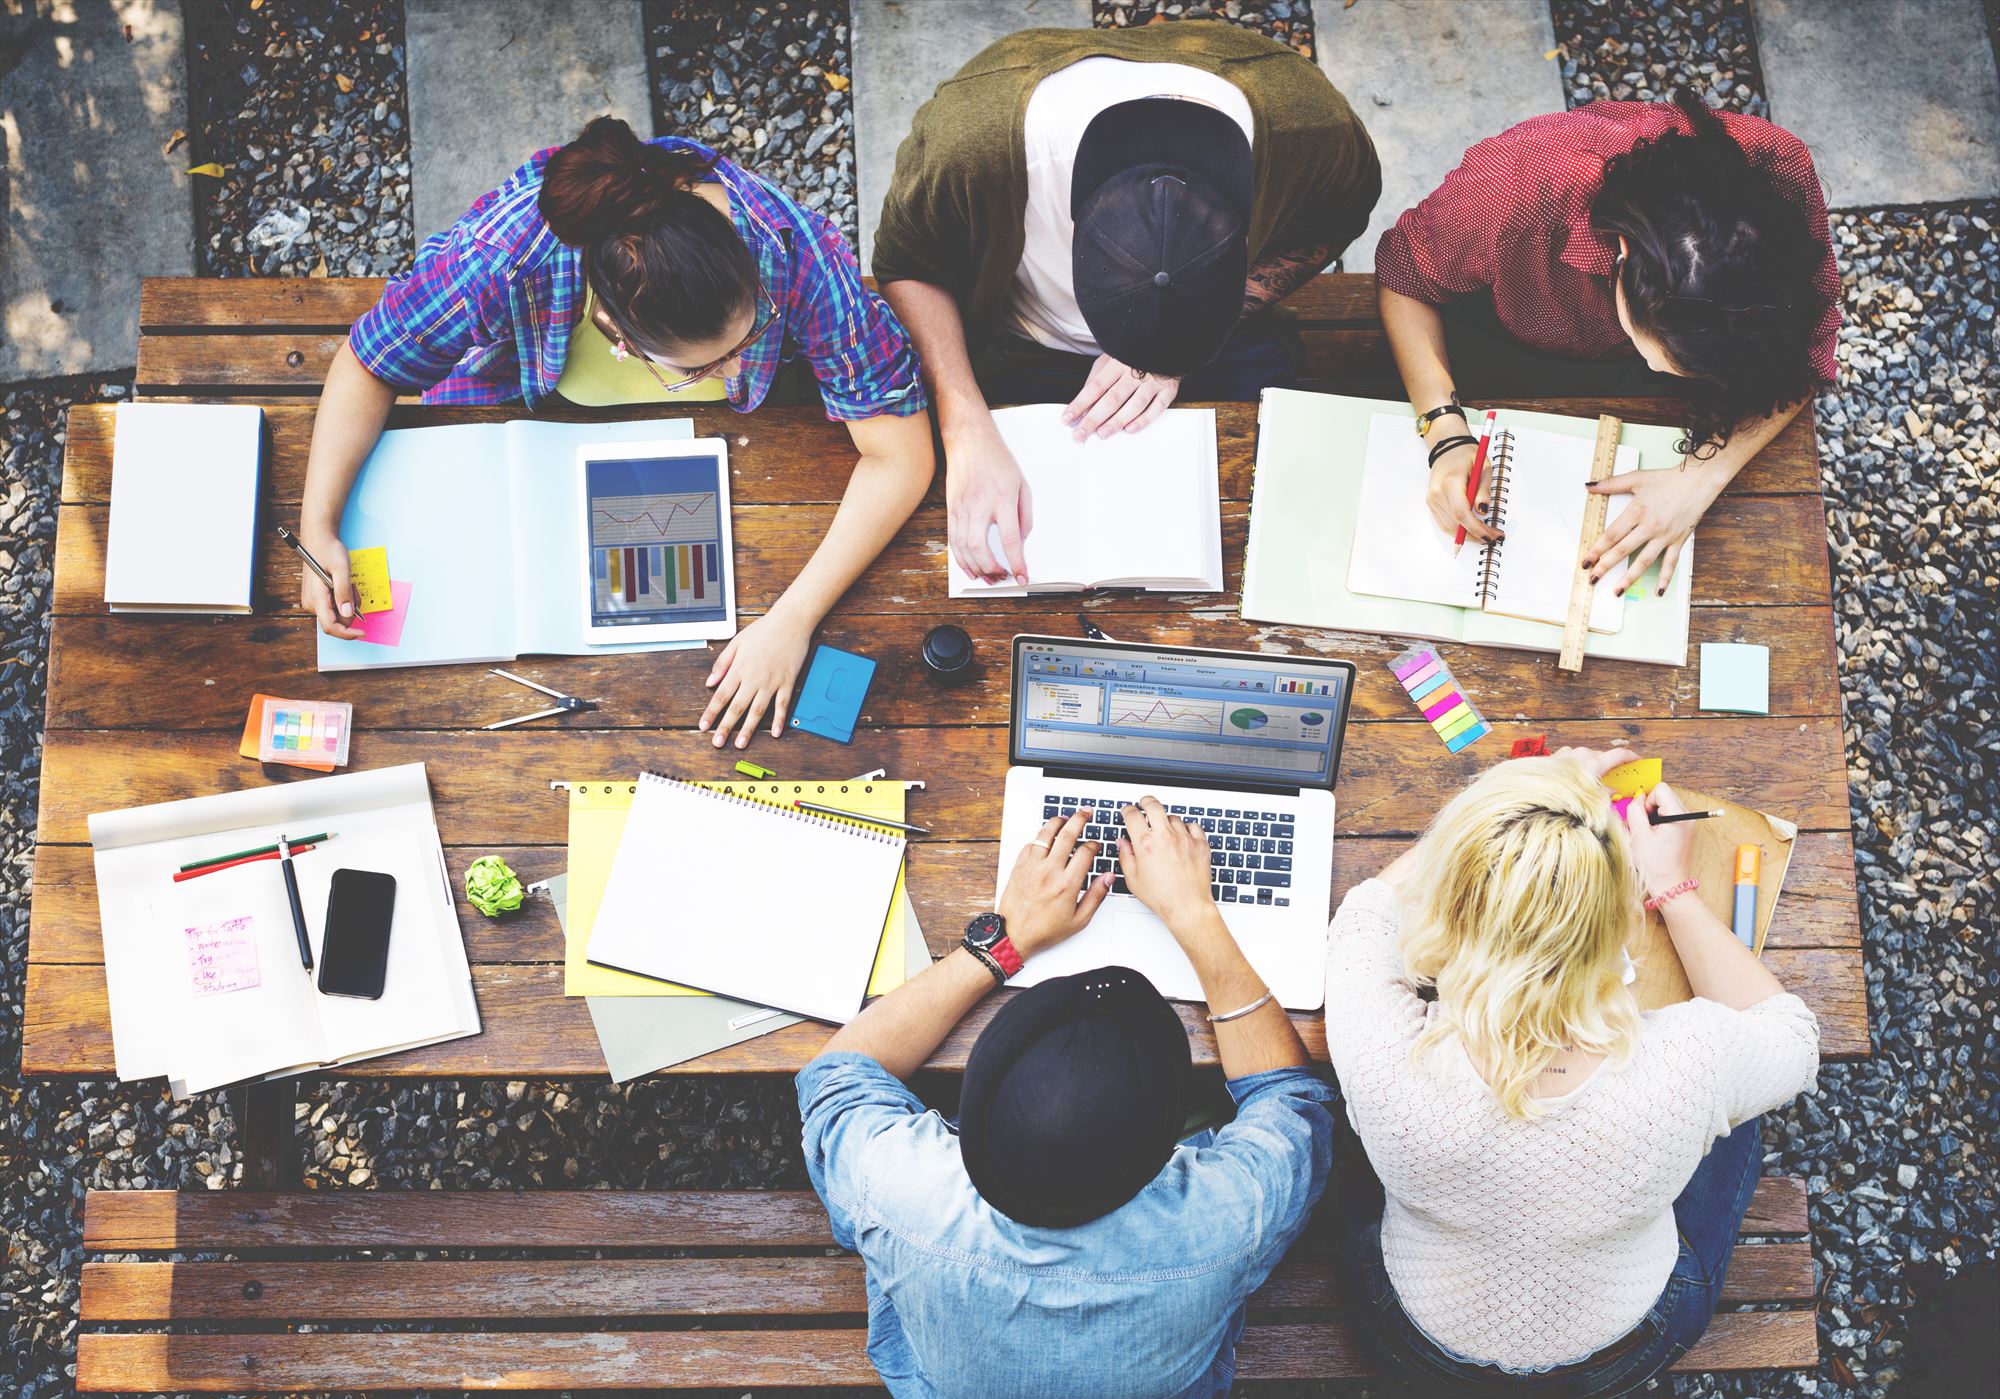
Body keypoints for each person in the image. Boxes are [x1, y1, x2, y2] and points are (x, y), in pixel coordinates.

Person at [296, 116, 932, 749]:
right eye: (706, 365)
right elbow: (371, 361)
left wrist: (791, 621)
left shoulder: (794, 252)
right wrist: (318, 525)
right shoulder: (503, 257)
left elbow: (900, 454)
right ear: (616, 334)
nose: (744, 367)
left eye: (758, 326)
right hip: (511, 411)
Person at [797, 800, 1336, 1399]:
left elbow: (837, 1075)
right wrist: (1193, 913)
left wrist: (1006, 942)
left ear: (970, 1112)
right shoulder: (1227, 1214)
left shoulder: (900, 1188)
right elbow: (1292, 1101)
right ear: (1171, 1145)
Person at [1324, 750, 1820, 1399]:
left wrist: (1512, 803)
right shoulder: (1690, 1057)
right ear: (1619, 917)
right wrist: (1673, 885)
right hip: (1626, 1341)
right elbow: (1792, 1035)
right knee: (1739, 1115)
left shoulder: (1388, 1044)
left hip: (1414, 1333)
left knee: (1342, 1108)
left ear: (1448, 900)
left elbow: (1364, 914)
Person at [872, 23, 1379, 585]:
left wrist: (1181, 345)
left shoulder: (1315, 133)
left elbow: (1336, 221)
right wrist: (963, 425)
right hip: (1021, 340)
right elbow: (907, 266)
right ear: (1072, 211)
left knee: (1283, 528)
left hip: (1213, 341)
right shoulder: (971, 149)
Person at [1375, 91, 1841, 596]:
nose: (1658, 371)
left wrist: (1700, 479)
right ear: (1623, 249)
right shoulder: (1513, 189)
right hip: (1503, 338)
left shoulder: (1780, 175)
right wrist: (1443, 431)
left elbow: (1809, 355)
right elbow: (1404, 274)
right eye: (1654, 350)